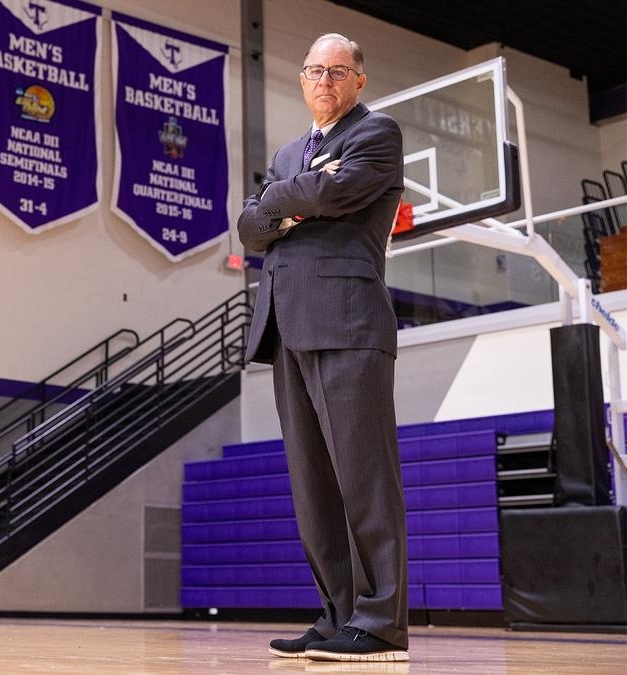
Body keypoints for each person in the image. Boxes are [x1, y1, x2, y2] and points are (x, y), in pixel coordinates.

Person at [236, 33, 409, 662]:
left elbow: (330, 195)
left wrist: (283, 200)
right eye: (314, 70)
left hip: (348, 323)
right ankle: (338, 615)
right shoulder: (289, 153)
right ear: (302, 79)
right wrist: (292, 199)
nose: (324, 80)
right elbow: (251, 228)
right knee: (312, 486)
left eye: (338, 71)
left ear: (358, 80)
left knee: (364, 478)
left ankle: (381, 622)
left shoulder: (377, 133)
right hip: (286, 326)